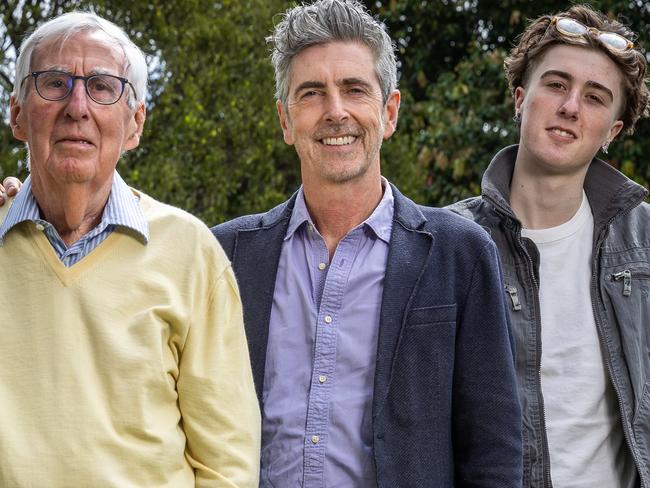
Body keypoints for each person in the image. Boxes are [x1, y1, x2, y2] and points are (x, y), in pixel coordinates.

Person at [212, 1, 522, 486]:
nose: (335, 112)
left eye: (354, 89)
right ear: (285, 121)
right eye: (311, 93)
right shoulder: (224, 256)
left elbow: (494, 452)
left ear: (389, 111)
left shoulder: (460, 253)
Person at [0, 12, 260, 487]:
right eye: (54, 83)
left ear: (135, 125)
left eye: (102, 87)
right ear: (17, 113)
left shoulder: (190, 252)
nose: (77, 106)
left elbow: (227, 465)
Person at [447, 5, 650, 487]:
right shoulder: (448, 244)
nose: (571, 107)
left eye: (596, 98)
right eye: (556, 84)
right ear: (521, 99)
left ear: (612, 133)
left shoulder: (644, 243)